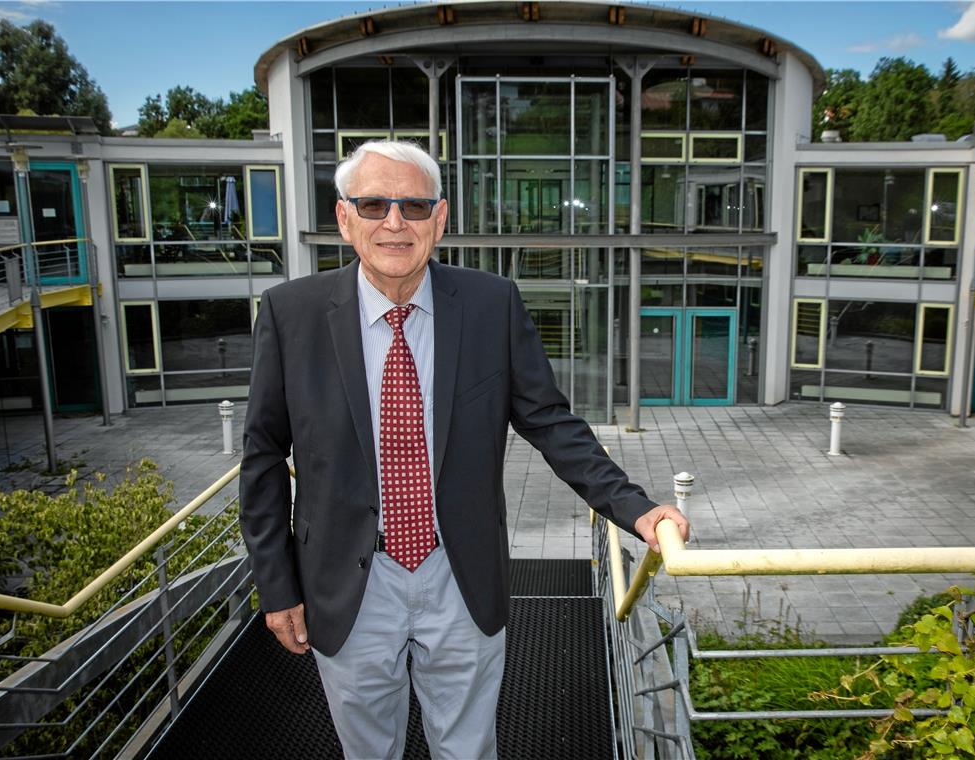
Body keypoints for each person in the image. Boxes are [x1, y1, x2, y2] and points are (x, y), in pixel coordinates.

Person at [239, 139, 689, 759]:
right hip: (345, 583)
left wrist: (637, 509)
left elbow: (550, 422)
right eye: (373, 205)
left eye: (414, 207)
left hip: (460, 574)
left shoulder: (490, 304)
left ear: (440, 219)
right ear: (344, 219)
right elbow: (262, 455)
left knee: (469, 750)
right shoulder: (290, 313)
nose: (395, 223)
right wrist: (276, 584)